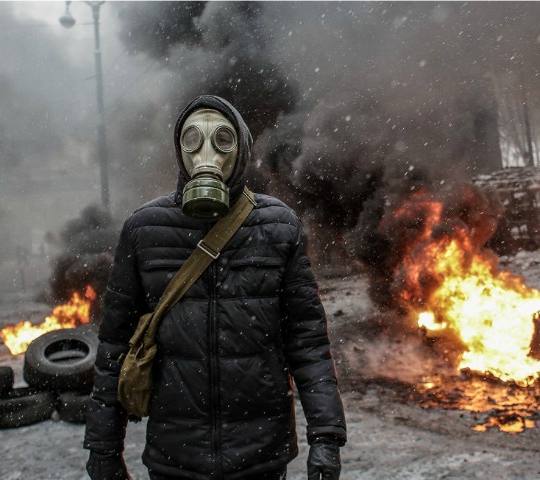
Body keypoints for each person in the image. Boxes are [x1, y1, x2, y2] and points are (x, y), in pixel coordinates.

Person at [84, 95, 347, 480]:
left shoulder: (278, 226)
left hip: (261, 455)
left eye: (223, 140)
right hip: (176, 457)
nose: (206, 154)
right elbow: (115, 347)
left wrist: (326, 438)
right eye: (193, 141)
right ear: (179, 150)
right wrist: (103, 447)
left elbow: (307, 342)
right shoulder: (144, 230)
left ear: (241, 149)